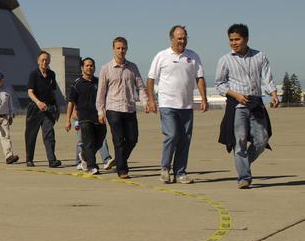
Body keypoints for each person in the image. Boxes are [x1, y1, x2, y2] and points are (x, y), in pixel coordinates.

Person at [214, 23, 278, 189]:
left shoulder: (260, 56)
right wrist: (235, 95)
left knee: (262, 139)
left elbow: (267, 77)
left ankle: (243, 163)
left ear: (246, 39)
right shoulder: (225, 60)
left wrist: (273, 93)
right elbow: (219, 84)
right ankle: (244, 177)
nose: (234, 43)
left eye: (237, 39)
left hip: (256, 103)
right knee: (240, 141)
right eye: (231, 40)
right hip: (237, 105)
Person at [146, 24, 208, 184]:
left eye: (184, 38)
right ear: (172, 39)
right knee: (172, 135)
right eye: (179, 38)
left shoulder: (193, 56)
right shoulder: (162, 56)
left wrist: (204, 98)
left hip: (186, 105)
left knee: (184, 140)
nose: (182, 41)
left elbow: (199, 78)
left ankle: (180, 172)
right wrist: (151, 100)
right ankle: (165, 168)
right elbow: (151, 79)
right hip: (167, 104)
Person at [96, 36, 145, 179]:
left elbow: (140, 87)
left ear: (127, 49)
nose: (121, 51)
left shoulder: (133, 67)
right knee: (118, 140)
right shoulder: (106, 69)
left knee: (132, 138)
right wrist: (101, 111)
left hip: (129, 108)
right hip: (113, 109)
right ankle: (122, 170)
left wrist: (146, 102)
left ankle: (119, 159)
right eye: (118, 48)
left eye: (123, 48)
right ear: (113, 49)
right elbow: (101, 92)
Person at [65, 58, 106, 174]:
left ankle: (83, 154)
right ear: (82, 68)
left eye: (91, 65)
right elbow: (71, 102)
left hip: (98, 117)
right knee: (88, 142)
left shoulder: (99, 82)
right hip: (84, 118)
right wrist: (67, 120)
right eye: (87, 65)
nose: (89, 67)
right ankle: (92, 166)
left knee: (100, 140)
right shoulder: (76, 84)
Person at [24, 51, 62, 167]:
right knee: (31, 134)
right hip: (35, 108)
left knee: (49, 134)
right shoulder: (33, 74)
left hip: (49, 109)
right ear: (38, 61)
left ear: (49, 61)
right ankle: (29, 159)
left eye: (47, 60)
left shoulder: (52, 74)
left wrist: (57, 107)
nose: (45, 62)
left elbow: (53, 92)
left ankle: (52, 160)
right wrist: (38, 102)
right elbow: (30, 92)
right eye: (42, 60)